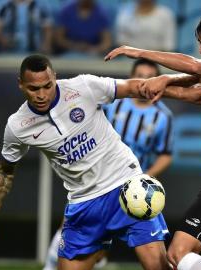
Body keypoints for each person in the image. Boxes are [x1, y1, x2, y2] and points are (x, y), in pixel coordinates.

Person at [0, 54, 201, 270]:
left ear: (55, 78)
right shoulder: (18, 126)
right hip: (83, 202)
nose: (41, 94)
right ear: (21, 85)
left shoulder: (82, 87)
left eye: (47, 86)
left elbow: (137, 87)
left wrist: (186, 86)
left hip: (126, 186)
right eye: (33, 88)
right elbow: (5, 172)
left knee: (157, 265)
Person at [105, 7, 201, 269]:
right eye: (200, 42)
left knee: (178, 253)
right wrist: (162, 83)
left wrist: (139, 52)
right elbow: (194, 84)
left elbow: (192, 66)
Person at [43, 58, 174, 270]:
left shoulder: (163, 116)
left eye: (149, 76)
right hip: (97, 184)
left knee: (155, 260)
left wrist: (146, 177)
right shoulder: (115, 105)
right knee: (73, 238)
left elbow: (166, 154)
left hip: (135, 186)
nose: (143, 81)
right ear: (133, 77)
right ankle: (56, 261)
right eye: (139, 75)